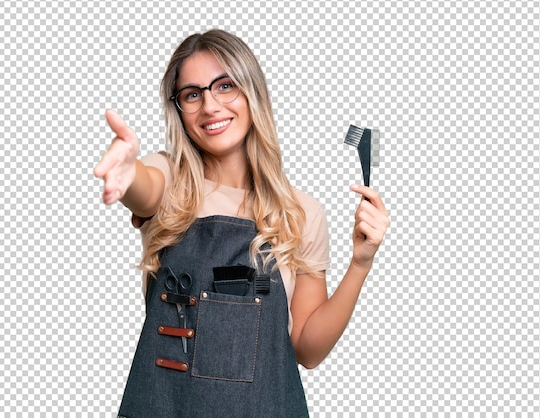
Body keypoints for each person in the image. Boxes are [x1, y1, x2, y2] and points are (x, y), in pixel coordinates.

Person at [94, 29, 390, 417]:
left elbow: (307, 348)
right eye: (193, 94)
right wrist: (129, 170)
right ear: (179, 108)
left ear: (253, 92)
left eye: (225, 86)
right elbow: (146, 188)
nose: (210, 105)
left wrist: (361, 263)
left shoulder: (301, 212)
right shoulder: (172, 182)